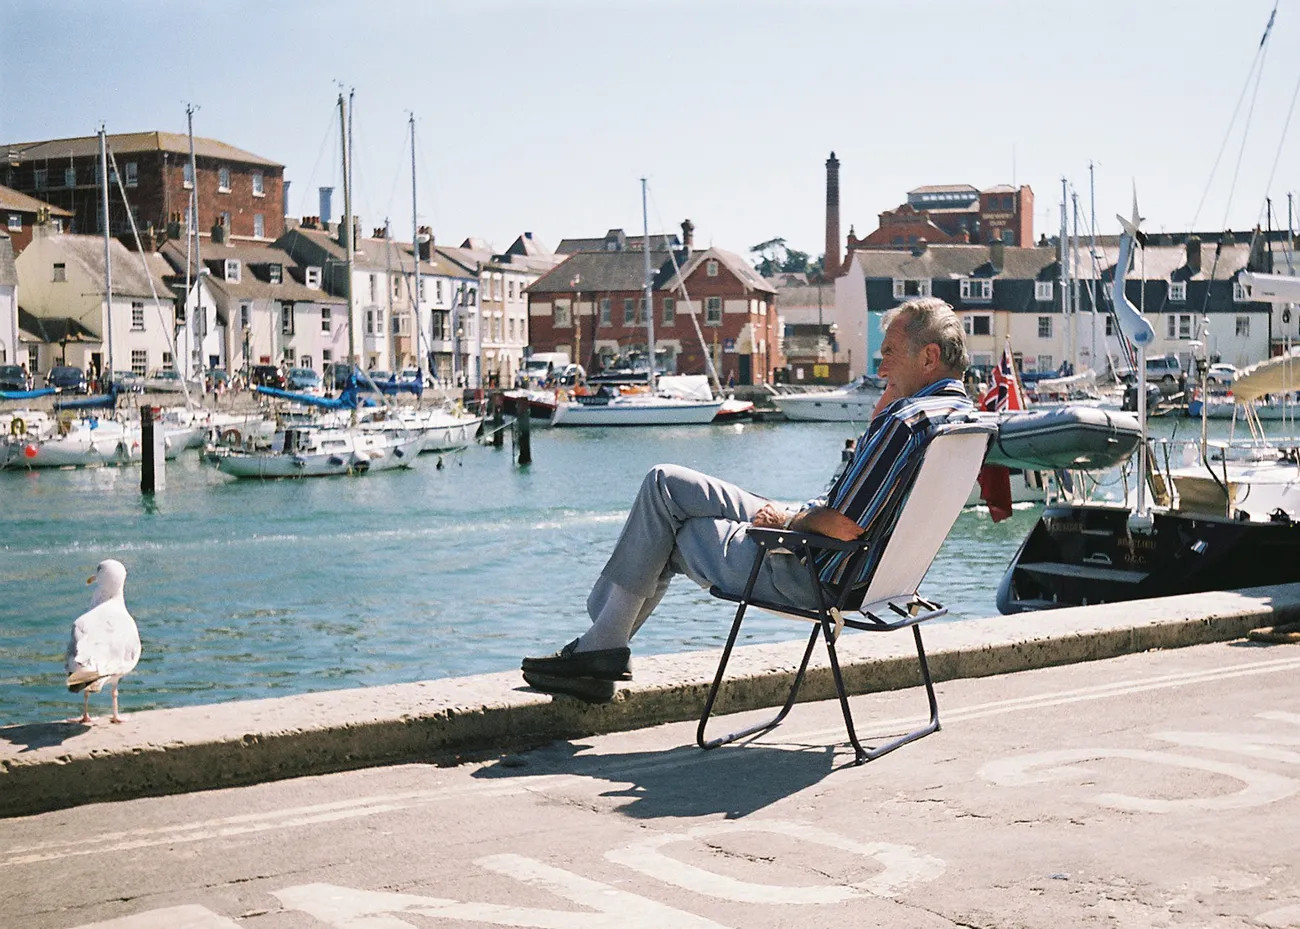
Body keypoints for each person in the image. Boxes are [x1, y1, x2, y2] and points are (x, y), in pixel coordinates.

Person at [521, 297, 976, 703]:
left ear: (929, 357)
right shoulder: (961, 419)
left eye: (890, 355)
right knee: (665, 484)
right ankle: (602, 643)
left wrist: (787, 520)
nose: (881, 370)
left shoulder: (907, 422)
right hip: (872, 575)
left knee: (673, 530)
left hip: (807, 568)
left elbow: (844, 524)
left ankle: (599, 647)